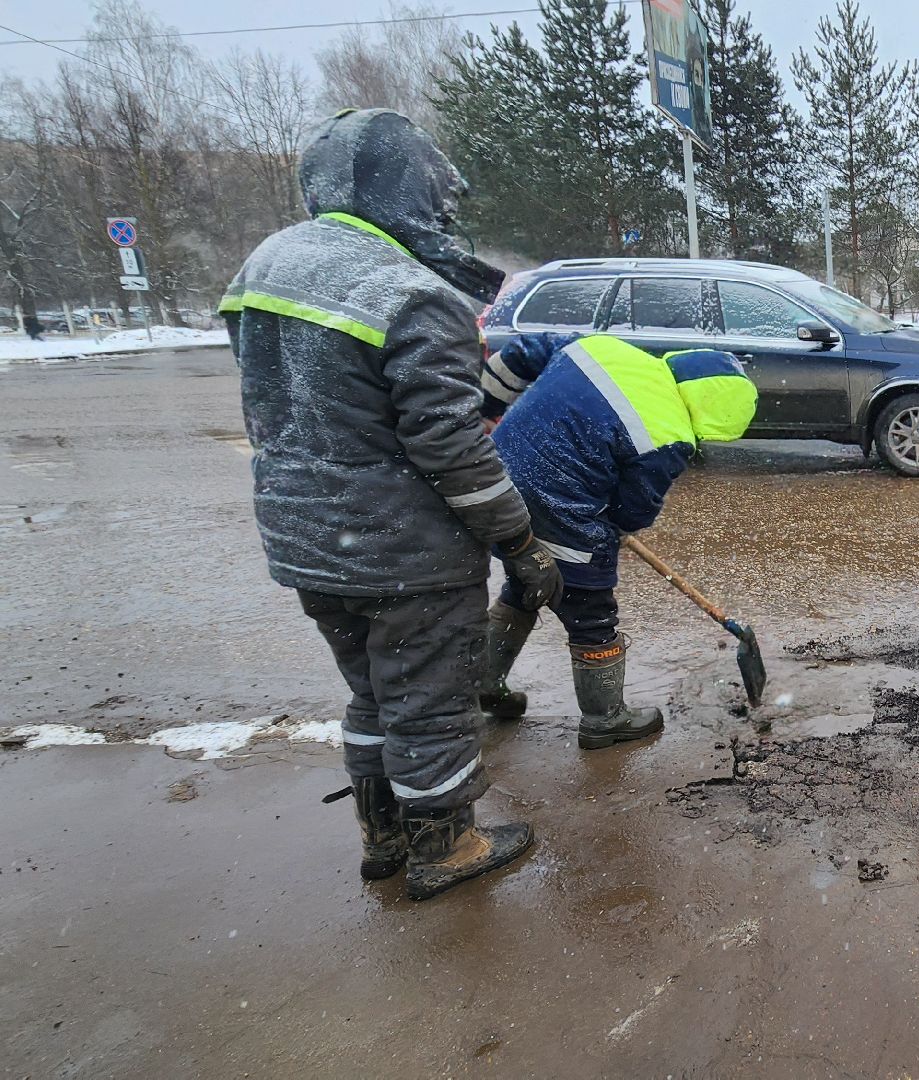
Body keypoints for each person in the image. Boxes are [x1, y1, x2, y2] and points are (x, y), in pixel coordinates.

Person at [221, 108, 563, 901]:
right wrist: (518, 542)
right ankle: (445, 845)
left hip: (305, 536)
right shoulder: (409, 293)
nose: (447, 215)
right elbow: (451, 449)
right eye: (439, 198)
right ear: (409, 189)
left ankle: (382, 836)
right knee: (429, 700)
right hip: (401, 549)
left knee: (373, 693)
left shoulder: (270, 265)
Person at [475, 331, 756, 746]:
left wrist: (487, 408)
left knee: (527, 582)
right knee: (590, 610)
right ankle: (605, 720)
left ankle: (484, 682)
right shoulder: (669, 433)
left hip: (488, 480)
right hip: (558, 507)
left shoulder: (603, 349)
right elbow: (634, 509)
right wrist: (614, 531)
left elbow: (520, 352)